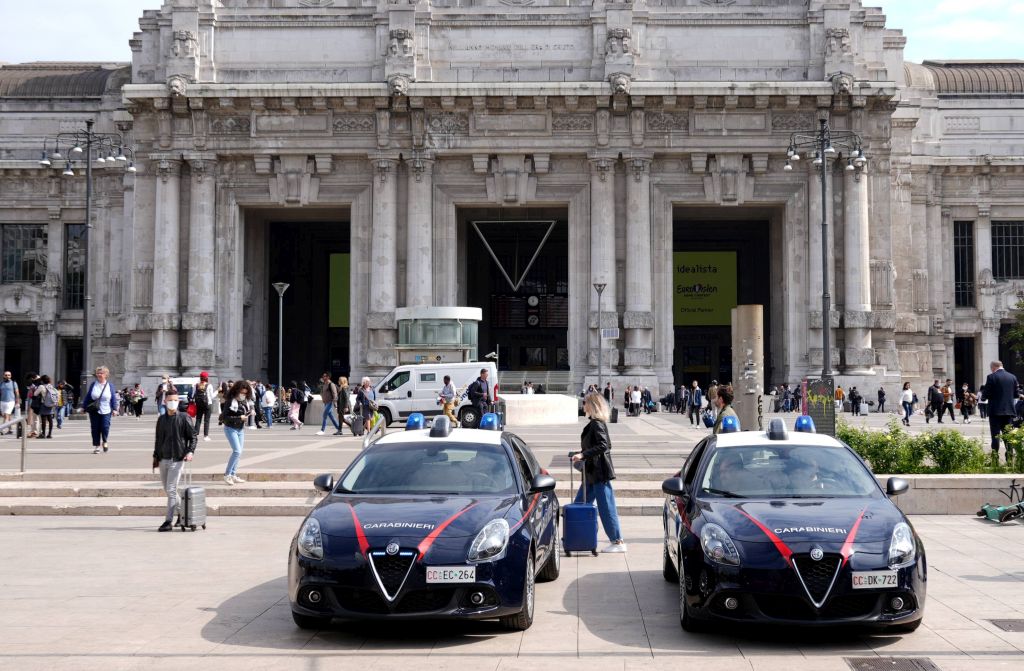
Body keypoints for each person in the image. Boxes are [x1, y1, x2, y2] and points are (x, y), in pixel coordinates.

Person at [571, 393, 626, 553]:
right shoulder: (593, 424)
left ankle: (618, 541)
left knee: (606, 508)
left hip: (599, 474)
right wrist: (579, 453)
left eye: (585, 403)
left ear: (592, 405)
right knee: (579, 505)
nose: (583, 406)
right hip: (591, 474)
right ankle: (575, 538)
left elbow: (604, 445)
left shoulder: (597, 424)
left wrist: (583, 455)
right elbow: (596, 446)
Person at [152, 390, 197, 532]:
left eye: (175, 400)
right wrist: (155, 456)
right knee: (168, 489)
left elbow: (193, 437)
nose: (173, 403)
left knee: (171, 489)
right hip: (163, 458)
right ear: (165, 402)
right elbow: (158, 439)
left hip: (177, 458)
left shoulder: (184, 417)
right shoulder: (161, 419)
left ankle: (168, 521)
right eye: (170, 400)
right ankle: (183, 514)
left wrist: (190, 451)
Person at [983, 360, 1020, 463]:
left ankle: (995, 461)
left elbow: (985, 395)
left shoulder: (991, 377)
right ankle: (1009, 460)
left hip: (995, 411)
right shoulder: (1012, 377)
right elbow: (1016, 394)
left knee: (995, 437)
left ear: (993, 367)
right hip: (1009, 411)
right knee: (1008, 437)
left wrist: (986, 396)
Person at [220, 380, 254, 484]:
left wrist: (249, 413)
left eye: (245, 393)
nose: (243, 395)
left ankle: (233, 474)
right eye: (242, 393)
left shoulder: (244, 401)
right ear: (237, 391)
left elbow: (243, 412)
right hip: (230, 428)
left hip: (240, 429)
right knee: (237, 451)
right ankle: (227, 475)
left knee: (239, 453)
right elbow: (224, 417)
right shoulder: (230, 401)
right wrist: (239, 417)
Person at [82, 366, 118, 454]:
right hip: (94, 410)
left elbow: (113, 398)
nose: (99, 374)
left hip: (106, 409)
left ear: (106, 375)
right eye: (98, 373)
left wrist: (115, 409)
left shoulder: (110, 385)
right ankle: (97, 446)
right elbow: (88, 396)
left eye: (101, 373)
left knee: (105, 427)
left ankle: (105, 441)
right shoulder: (93, 384)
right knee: (95, 428)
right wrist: (83, 407)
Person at [190, 372, 215, 441]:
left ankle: (195, 434)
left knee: (198, 419)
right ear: (207, 378)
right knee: (206, 420)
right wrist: (217, 391)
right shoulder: (209, 385)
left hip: (199, 404)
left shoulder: (196, 385)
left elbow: (192, 395)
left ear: (200, 378)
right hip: (207, 404)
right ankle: (205, 436)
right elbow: (212, 396)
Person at [35, 375, 57, 439]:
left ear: (42, 380)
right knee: (50, 419)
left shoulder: (41, 386)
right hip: (51, 404)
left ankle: (43, 434)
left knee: (43, 419)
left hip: (44, 404)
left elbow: (35, 394)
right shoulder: (50, 386)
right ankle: (49, 434)